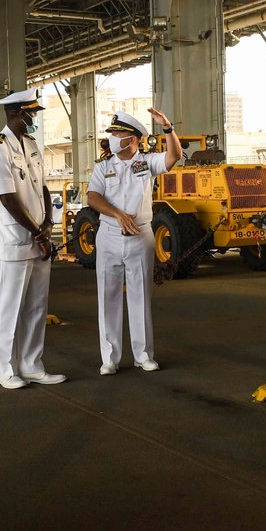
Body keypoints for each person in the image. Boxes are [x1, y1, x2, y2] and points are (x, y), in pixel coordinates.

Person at [88, 108, 181, 375]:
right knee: (108, 296)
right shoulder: (103, 167)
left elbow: (173, 157)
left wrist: (167, 127)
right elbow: (93, 197)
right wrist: (116, 214)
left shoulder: (147, 162)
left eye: (117, 133)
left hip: (140, 235)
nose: (113, 137)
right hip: (109, 235)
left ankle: (143, 355)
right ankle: (110, 358)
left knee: (141, 297)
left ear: (132, 139)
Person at [0, 88, 65, 390]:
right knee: (11, 306)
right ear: (18, 113)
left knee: (36, 306)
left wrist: (47, 223)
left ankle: (31, 364)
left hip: (38, 235)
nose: (35, 118)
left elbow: (41, 187)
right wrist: (36, 232)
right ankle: (4, 370)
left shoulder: (30, 144)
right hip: (17, 239)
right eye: (32, 113)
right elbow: (6, 197)